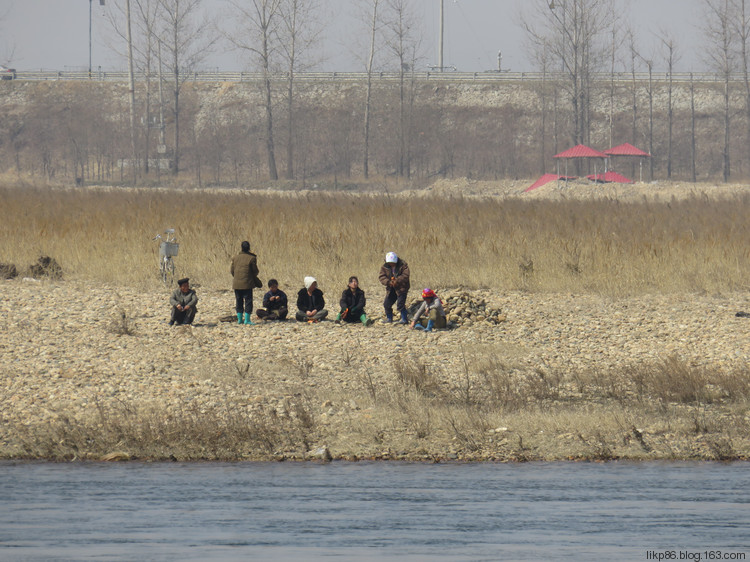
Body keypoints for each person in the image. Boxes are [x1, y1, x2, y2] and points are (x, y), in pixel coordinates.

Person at [231, 240, 262, 325]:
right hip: (247, 283)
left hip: (236, 283)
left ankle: (239, 319)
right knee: (248, 301)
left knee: (238, 300)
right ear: (249, 248)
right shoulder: (252, 258)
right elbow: (255, 271)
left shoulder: (235, 257)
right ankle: (247, 320)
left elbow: (232, 271)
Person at [378, 251, 410, 324]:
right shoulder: (384, 267)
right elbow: (382, 277)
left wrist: (397, 281)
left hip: (402, 288)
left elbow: (405, 275)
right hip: (391, 288)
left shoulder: (403, 265)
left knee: (400, 304)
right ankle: (389, 318)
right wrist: (388, 282)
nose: (391, 264)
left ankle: (404, 319)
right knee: (387, 304)